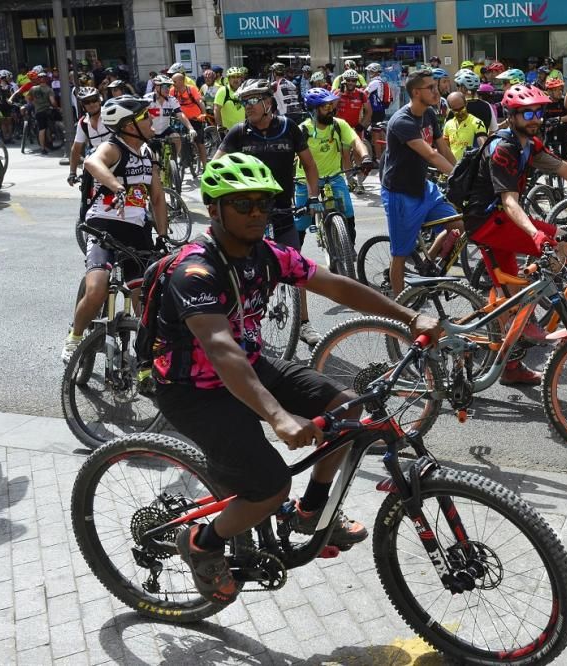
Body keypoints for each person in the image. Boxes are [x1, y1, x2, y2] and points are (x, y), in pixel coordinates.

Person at [158, 153, 439, 605]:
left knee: (347, 407)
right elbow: (219, 347)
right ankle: (201, 543)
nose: (255, 213)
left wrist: (409, 317)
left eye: (263, 205)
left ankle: (309, 513)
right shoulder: (195, 271)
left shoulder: (268, 255)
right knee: (269, 488)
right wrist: (278, 416)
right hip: (194, 391)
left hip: (248, 366)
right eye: (242, 203)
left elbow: (337, 286)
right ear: (214, 209)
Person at [460, 83, 567, 385]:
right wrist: (534, 234)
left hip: (500, 218)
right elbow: (509, 200)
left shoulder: (529, 143)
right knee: (557, 242)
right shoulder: (504, 148)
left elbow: (565, 169)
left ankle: (511, 360)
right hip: (487, 221)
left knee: (508, 295)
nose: (535, 118)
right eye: (527, 114)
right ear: (511, 116)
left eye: (538, 111)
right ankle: (526, 310)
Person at [213, 79, 325, 346]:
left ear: (268, 102)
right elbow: (215, 167)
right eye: (243, 101)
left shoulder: (290, 129)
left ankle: (304, 324)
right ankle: (241, 323)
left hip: (283, 211)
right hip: (248, 216)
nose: (246, 106)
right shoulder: (239, 132)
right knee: (242, 273)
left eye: (252, 100)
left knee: (297, 268)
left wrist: (312, 197)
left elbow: (309, 166)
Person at [61, 95, 169, 364]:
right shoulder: (114, 148)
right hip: (104, 227)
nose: (151, 119)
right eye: (145, 117)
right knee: (96, 289)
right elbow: (92, 163)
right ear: (128, 124)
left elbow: (156, 198)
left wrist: (163, 236)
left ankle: (145, 358)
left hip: (137, 231)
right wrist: (116, 185)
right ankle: (74, 337)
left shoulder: (147, 153)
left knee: (144, 298)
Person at [380, 69, 460, 296]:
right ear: (416, 92)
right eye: (431, 88)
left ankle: (427, 266)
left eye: (437, 86)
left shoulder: (430, 114)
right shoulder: (401, 121)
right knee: (400, 255)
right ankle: (400, 308)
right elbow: (432, 155)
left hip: (424, 188)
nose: (438, 91)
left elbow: (442, 148)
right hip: (400, 194)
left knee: (459, 225)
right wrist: (456, 176)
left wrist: (462, 173)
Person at [293, 87, 373, 298]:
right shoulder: (302, 130)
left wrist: (365, 157)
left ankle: (347, 250)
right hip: (305, 181)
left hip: (335, 176)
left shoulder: (339, 125)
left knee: (348, 216)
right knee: (299, 226)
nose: (331, 109)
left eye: (332, 105)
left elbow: (356, 142)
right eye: (325, 106)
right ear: (313, 110)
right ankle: (292, 263)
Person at [67, 87, 110, 204]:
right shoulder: (83, 123)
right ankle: (83, 217)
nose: (92, 104)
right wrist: (72, 173)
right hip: (96, 163)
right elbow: (76, 149)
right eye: (87, 102)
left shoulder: (110, 115)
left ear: (99, 100)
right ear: (83, 105)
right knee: (86, 191)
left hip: (116, 159)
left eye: (94, 100)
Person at [335, 70, 372, 190]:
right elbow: (331, 109)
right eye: (349, 80)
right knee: (345, 156)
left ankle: (360, 183)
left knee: (358, 156)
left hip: (356, 129)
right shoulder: (337, 93)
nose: (351, 83)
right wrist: (339, 94)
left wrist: (363, 124)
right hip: (342, 130)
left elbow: (369, 111)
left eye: (354, 80)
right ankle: (350, 181)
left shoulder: (361, 94)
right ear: (344, 81)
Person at [145, 75, 195, 164]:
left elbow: (180, 115)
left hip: (164, 129)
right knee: (152, 160)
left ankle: (174, 160)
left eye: (169, 86)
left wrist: (190, 128)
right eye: (164, 86)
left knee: (177, 138)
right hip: (150, 131)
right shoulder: (147, 99)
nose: (167, 89)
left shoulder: (172, 100)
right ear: (157, 86)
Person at [171, 72, 208, 167]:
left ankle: (205, 166)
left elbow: (200, 102)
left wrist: (203, 114)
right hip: (180, 119)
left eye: (174, 81)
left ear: (181, 81)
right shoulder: (172, 91)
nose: (172, 83)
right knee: (177, 139)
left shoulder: (191, 89)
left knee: (200, 142)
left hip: (195, 118)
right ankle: (181, 160)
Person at [442, 91, 487, 162]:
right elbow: (445, 149)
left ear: (466, 104)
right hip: (453, 167)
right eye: (455, 110)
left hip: (469, 166)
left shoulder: (477, 123)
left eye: (461, 108)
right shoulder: (448, 124)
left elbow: (483, 145)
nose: (459, 112)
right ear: (450, 109)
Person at [541, 78, 567, 159]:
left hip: (564, 133)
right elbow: (539, 117)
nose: (560, 92)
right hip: (549, 134)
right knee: (547, 158)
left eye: (561, 89)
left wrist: (559, 119)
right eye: (556, 90)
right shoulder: (544, 103)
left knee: (566, 159)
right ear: (549, 91)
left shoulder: (564, 101)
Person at [28, 73, 57, 154]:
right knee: (49, 127)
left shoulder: (33, 89)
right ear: (46, 79)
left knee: (42, 129)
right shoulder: (49, 89)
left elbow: (29, 98)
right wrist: (56, 107)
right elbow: (53, 102)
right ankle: (50, 144)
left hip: (38, 111)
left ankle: (42, 148)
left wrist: (35, 104)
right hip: (47, 110)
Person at [214, 66, 247, 133]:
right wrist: (220, 125)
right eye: (233, 77)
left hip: (242, 128)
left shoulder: (244, 91)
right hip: (227, 131)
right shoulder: (223, 91)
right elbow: (216, 109)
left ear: (241, 79)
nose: (236, 80)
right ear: (228, 79)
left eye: (238, 77)